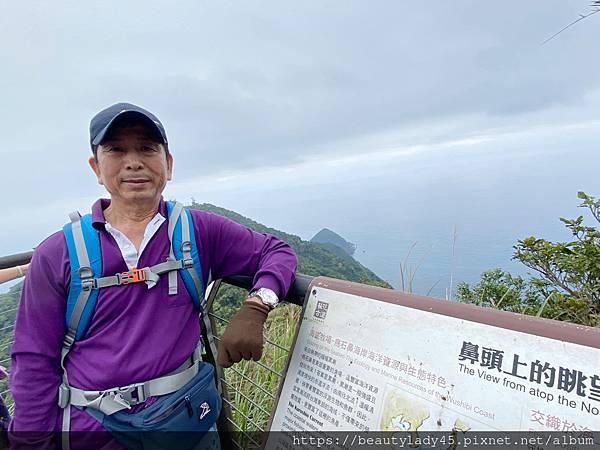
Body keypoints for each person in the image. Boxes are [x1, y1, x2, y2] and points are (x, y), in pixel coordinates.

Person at [8, 102, 297, 449]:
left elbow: (277, 252)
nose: (134, 161)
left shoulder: (197, 231)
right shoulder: (58, 253)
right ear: (96, 168)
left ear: (168, 164)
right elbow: (33, 360)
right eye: (116, 149)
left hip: (186, 423)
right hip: (96, 433)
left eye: (147, 148)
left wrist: (257, 304)